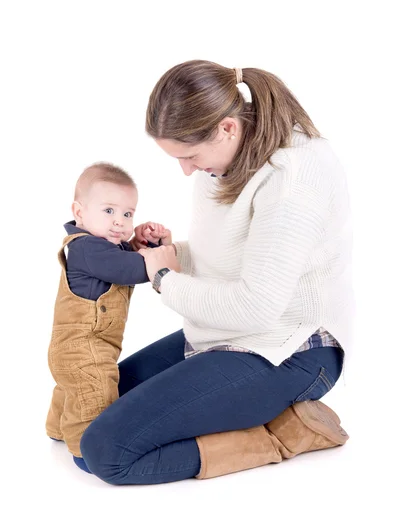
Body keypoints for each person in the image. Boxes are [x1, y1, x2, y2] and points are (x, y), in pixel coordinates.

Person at [79, 60, 354, 484]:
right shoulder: (227, 158)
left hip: (292, 350)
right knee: (90, 409)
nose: (186, 170)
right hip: (226, 332)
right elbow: (234, 256)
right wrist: (170, 253)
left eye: (190, 156)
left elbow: (258, 306)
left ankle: (281, 436)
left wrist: (165, 279)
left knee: (106, 452)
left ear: (227, 128)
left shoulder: (295, 177)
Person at [46, 161, 171, 471]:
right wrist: (161, 257)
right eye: (109, 211)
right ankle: (86, 453)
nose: (120, 222)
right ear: (80, 212)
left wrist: (142, 244)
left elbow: (122, 257)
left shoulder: (102, 247)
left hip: (80, 350)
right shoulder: (87, 248)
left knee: (73, 389)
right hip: (84, 351)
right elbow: (128, 269)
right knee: (95, 394)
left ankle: (56, 428)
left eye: (128, 214)